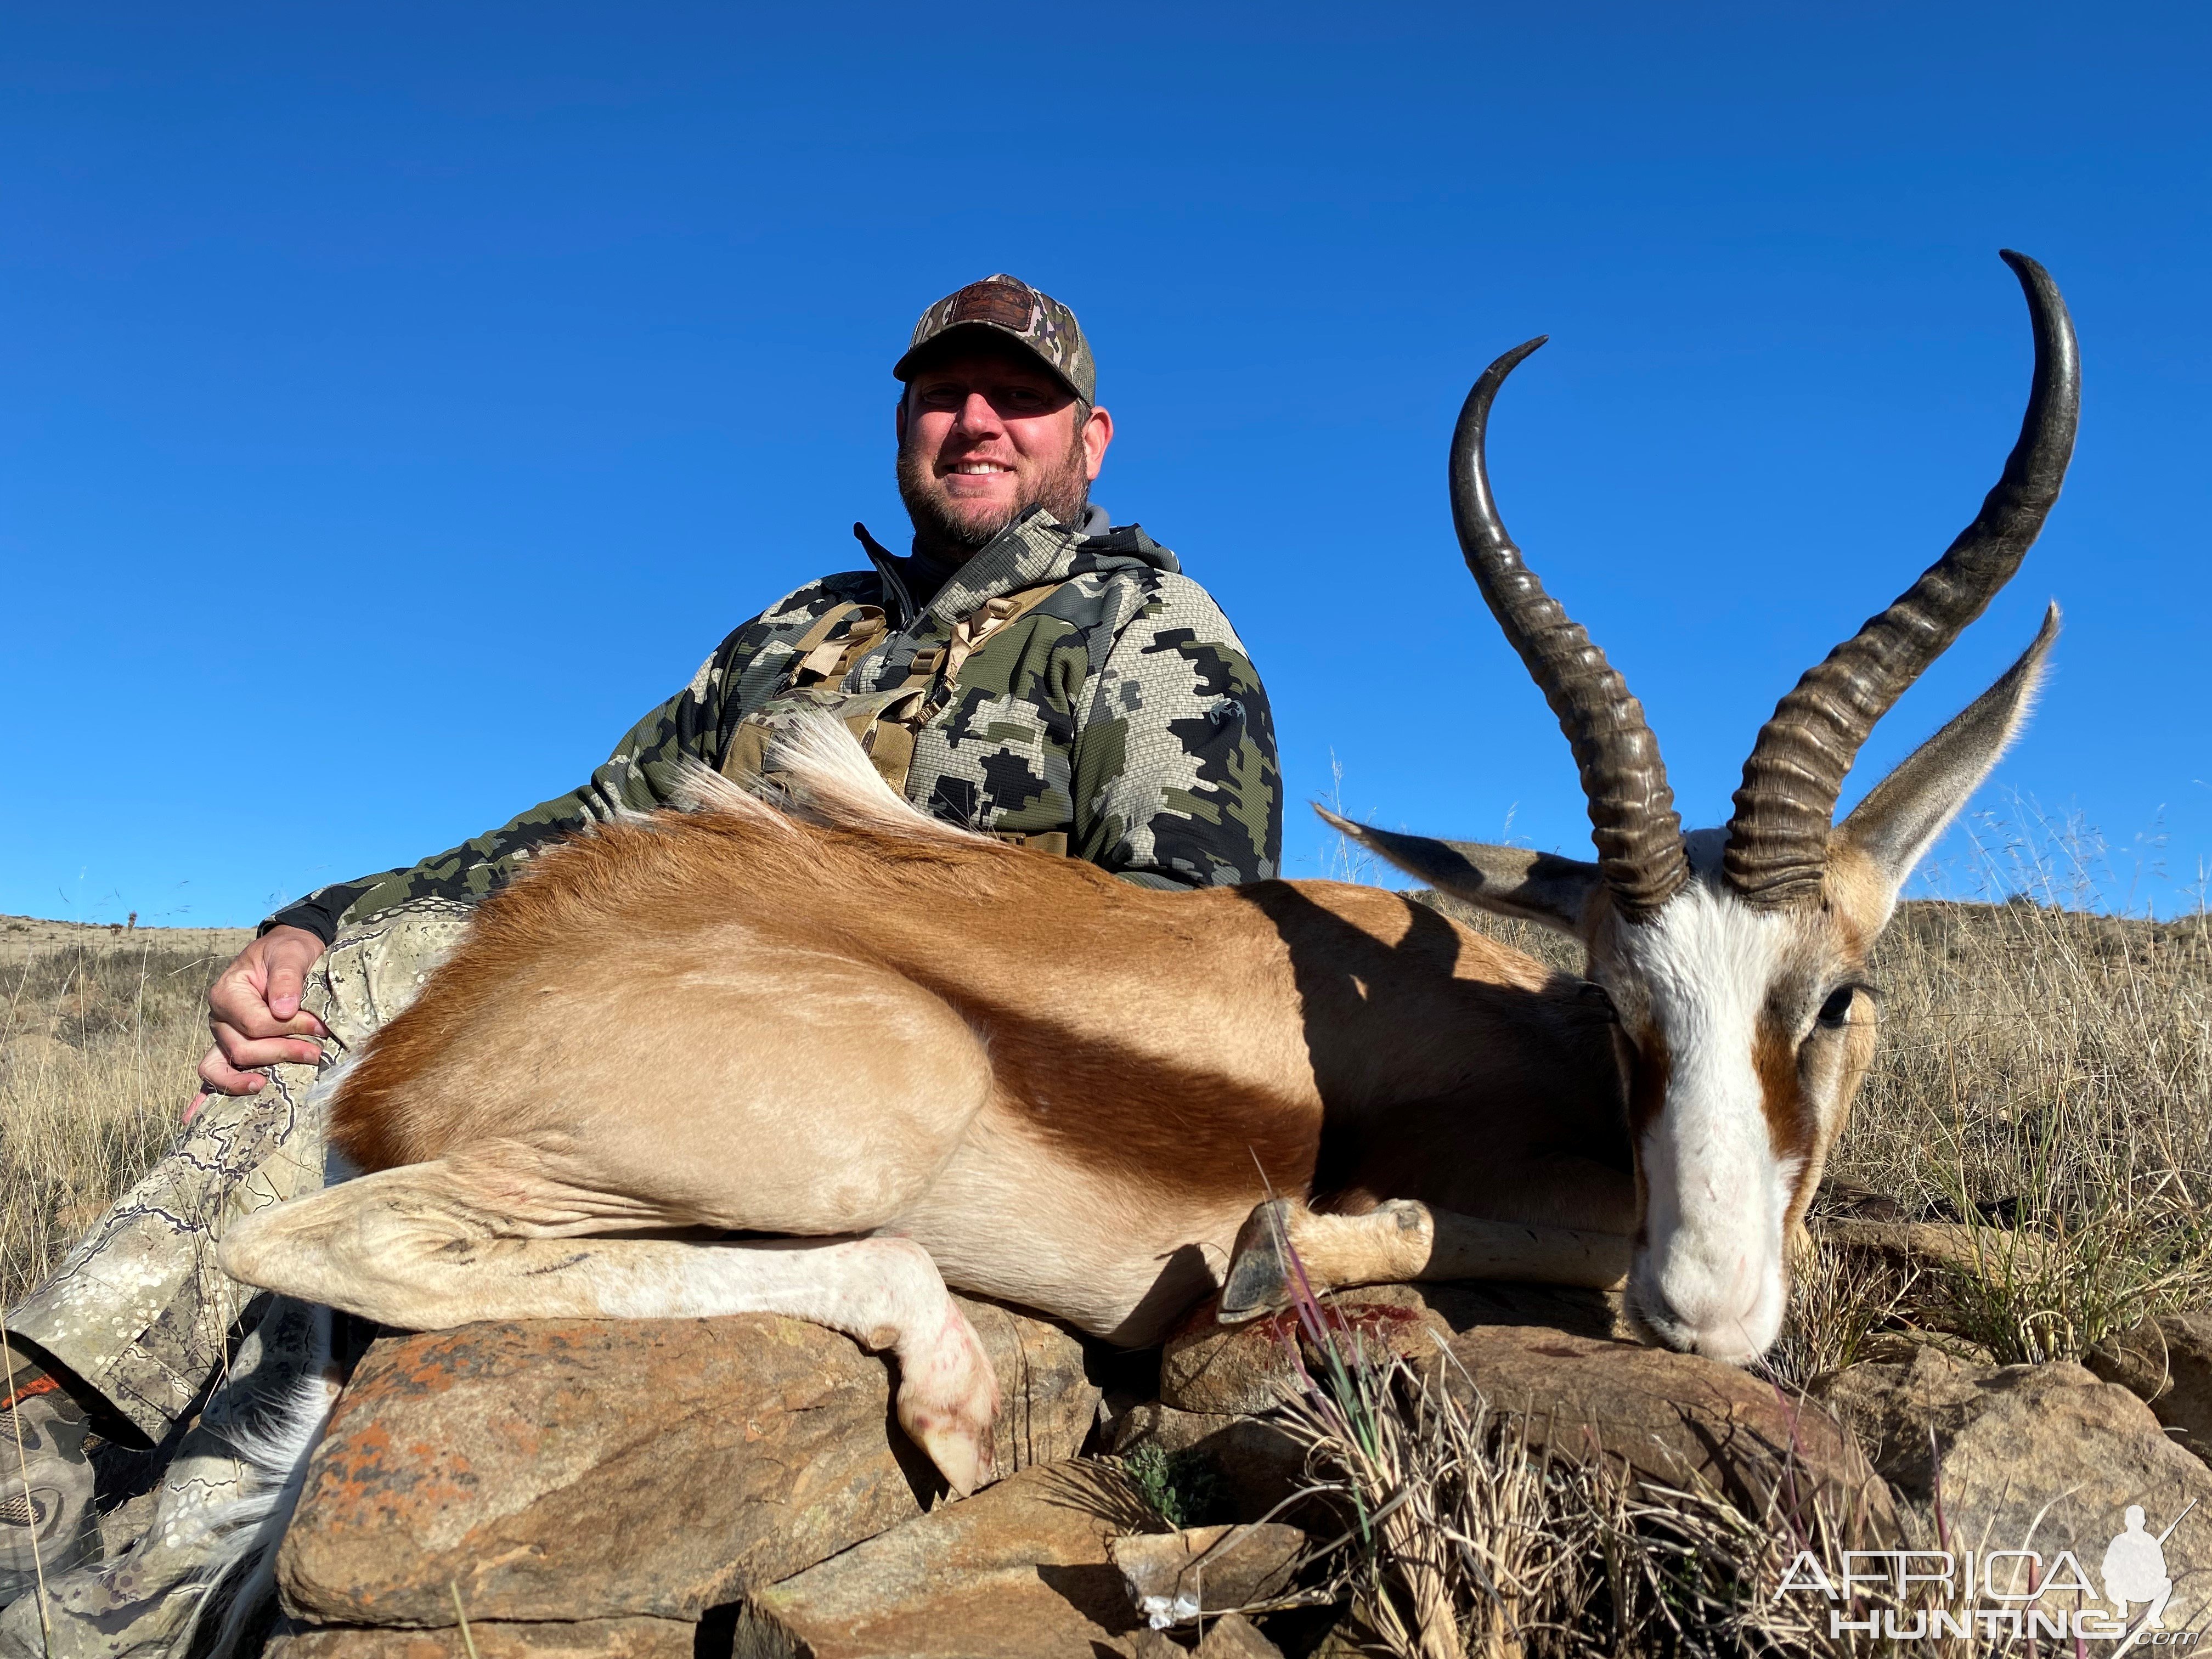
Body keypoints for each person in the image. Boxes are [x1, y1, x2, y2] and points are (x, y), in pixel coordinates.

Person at [0, 274, 1281, 1651]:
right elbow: (590, 827)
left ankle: (191, 1534)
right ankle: (59, 1432)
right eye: (943, 394)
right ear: (905, 420)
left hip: (875, 1086)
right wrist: (317, 923)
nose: (976, 422)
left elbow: (1185, 950)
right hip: (659, 1029)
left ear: (1090, 439)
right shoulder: (802, 632)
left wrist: (896, 885)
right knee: (371, 979)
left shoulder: (1147, 632)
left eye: (1019, 398)